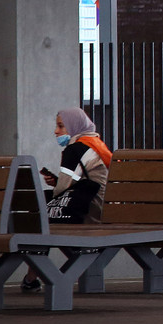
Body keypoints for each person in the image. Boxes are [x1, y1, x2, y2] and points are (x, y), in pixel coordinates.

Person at [21, 108, 113, 293]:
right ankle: (33, 277)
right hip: (103, 206)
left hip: (89, 211)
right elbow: (81, 181)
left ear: (74, 126)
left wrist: (57, 186)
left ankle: (33, 276)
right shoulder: (94, 145)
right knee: (43, 215)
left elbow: (63, 190)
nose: (56, 131)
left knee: (40, 215)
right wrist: (57, 182)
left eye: (61, 126)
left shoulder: (74, 149)